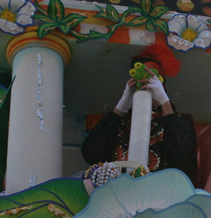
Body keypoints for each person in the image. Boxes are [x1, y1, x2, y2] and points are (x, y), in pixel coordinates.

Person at [81, 44, 198, 184]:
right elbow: (91, 154)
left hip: (158, 197)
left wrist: (164, 102)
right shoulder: (120, 122)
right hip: (118, 195)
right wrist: (120, 108)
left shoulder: (179, 121)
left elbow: (183, 158)